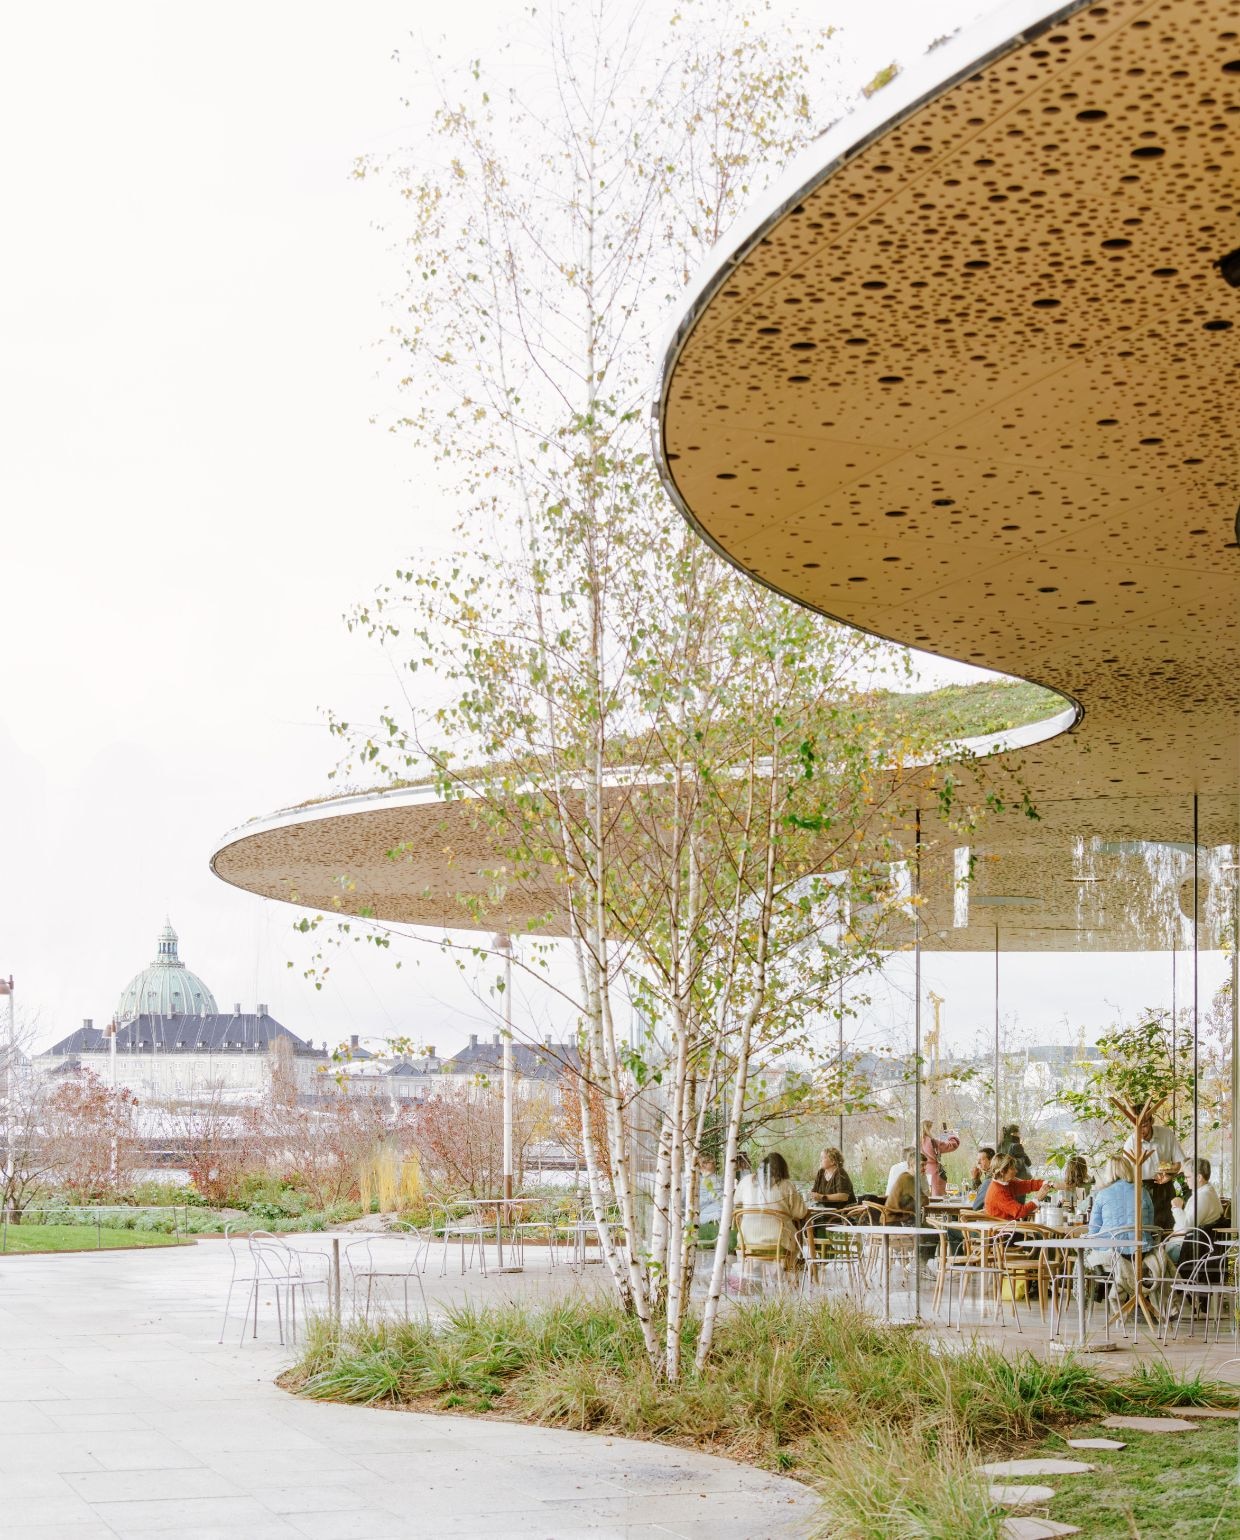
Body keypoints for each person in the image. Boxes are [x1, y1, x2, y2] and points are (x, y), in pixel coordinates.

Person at [1086, 1152, 1161, 1305]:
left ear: (1109, 1172)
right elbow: (1150, 1223)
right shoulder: (1143, 1192)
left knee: (1086, 1252)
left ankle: (1101, 1285)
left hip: (1114, 1251)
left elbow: (1093, 1230)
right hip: (1141, 1252)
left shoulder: (1102, 1194)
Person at [734, 1151, 808, 1268]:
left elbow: (736, 1202)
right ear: (783, 1169)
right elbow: (801, 1213)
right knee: (795, 1229)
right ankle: (789, 1271)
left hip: (747, 1239)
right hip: (778, 1241)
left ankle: (753, 1270)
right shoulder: (786, 1185)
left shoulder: (746, 1181)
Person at [1122, 1112, 1185, 1234]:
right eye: (1137, 1127)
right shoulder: (1131, 1142)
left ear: (1151, 1122)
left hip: (1165, 1187)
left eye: (1144, 1125)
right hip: (1142, 1188)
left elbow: (1178, 1164)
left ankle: (1166, 1251)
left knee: (1169, 1227)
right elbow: (1126, 1174)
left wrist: (1170, 1174)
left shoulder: (1166, 1135)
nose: (1141, 1130)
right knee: (1147, 1228)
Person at [1167, 1157, 1223, 1264]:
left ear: (1199, 1177)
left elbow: (1186, 1227)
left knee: (1148, 1256)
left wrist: (1176, 1208)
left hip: (1186, 1249)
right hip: (1190, 1246)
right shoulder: (1207, 1193)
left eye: (1187, 1177)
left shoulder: (1203, 1196)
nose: (1185, 1180)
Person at [982, 1154, 1045, 1221]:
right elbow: (1020, 1212)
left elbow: (1027, 1185)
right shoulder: (998, 1192)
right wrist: (1037, 1199)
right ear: (1002, 1171)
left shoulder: (1005, 1184)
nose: (1016, 1171)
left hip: (1008, 1227)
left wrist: (1049, 1183)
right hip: (1003, 1230)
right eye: (1012, 1168)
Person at [921, 1119, 961, 1198]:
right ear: (928, 1128)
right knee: (938, 1198)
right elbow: (952, 1145)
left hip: (922, 1172)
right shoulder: (932, 1142)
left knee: (926, 1198)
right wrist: (951, 1135)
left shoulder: (916, 1142)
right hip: (934, 1173)